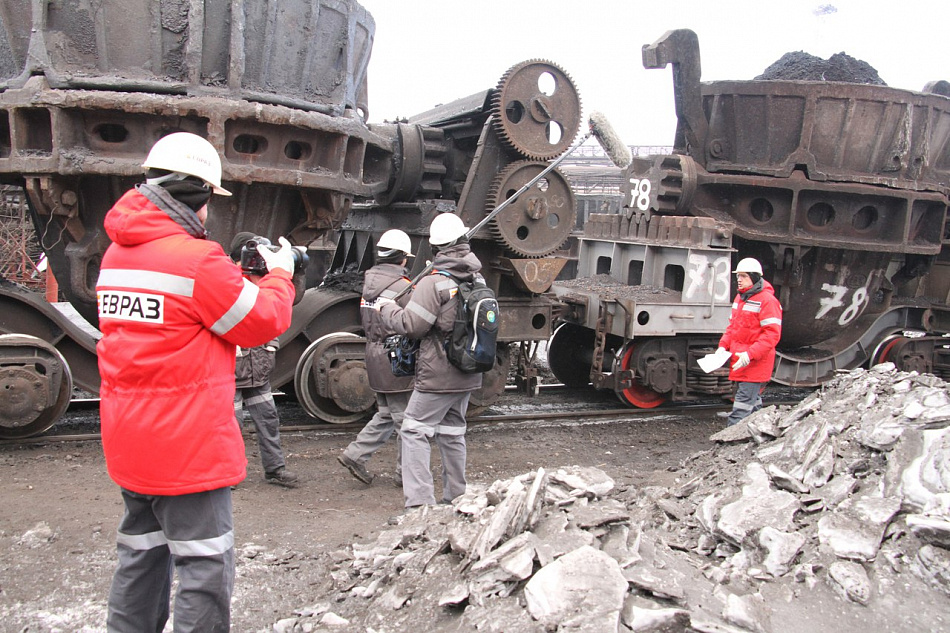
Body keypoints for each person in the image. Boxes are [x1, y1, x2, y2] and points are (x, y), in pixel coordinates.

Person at [96, 132, 296, 632]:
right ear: (200, 195)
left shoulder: (116, 256)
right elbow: (261, 321)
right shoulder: (196, 261)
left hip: (130, 442)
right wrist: (280, 276)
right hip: (186, 450)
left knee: (140, 558)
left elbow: (182, 315)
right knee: (205, 569)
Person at [375, 213, 482, 508]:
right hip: (468, 369)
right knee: (452, 431)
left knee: (413, 430)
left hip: (438, 373)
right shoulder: (476, 277)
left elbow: (413, 325)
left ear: (436, 248)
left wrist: (387, 309)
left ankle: (420, 504)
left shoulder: (433, 283)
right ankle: (456, 496)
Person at [337, 229, 415, 485]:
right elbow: (412, 324)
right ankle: (406, 475)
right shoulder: (403, 287)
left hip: (374, 353)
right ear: (402, 258)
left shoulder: (369, 283)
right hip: (395, 359)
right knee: (406, 420)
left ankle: (355, 455)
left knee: (386, 413)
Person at [229, 233, 299, 488]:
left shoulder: (262, 282)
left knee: (268, 419)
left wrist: (271, 344)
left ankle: (275, 469)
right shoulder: (230, 282)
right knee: (230, 426)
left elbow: (273, 316)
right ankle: (231, 474)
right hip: (235, 371)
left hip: (256, 369)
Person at [717, 257, 783, 426]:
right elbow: (733, 327)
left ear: (754, 277)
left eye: (744, 276)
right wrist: (722, 347)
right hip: (742, 361)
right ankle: (760, 434)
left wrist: (750, 354)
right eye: (738, 276)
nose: (739, 279)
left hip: (755, 363)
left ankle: (730, 441)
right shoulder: (740, 299)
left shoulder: (768, 301)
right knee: (752, 404)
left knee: (741, 406)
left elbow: (771, 335)